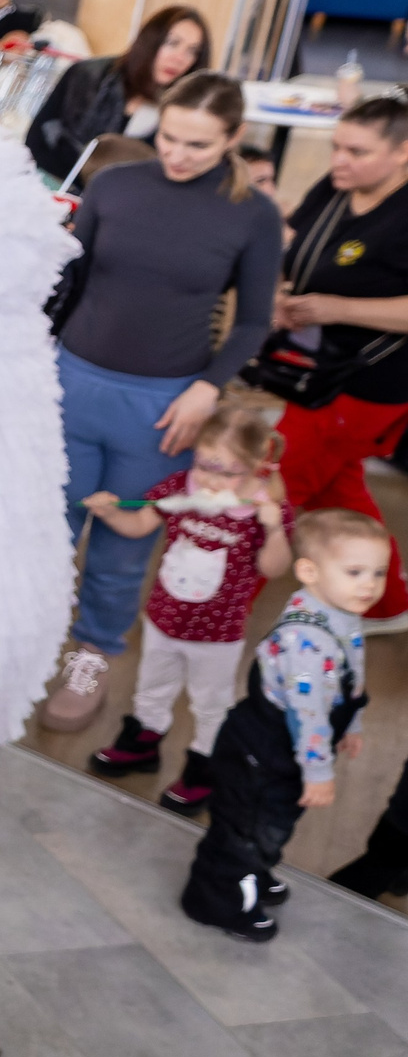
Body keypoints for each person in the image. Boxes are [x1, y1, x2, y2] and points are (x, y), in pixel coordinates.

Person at [42, 72, 285, 730]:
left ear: (233, 138)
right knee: (43, 531)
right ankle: (23, 647)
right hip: (70, 383)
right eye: (170, 137)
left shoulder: (253, 214)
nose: (177, 154)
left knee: (123, 544)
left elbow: (253, 322)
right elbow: (69, 278)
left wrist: (206, 388)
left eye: (199, 145)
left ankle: (92, 653)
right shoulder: (116, 186)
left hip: (164, 408)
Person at [179, 510, 384, 942]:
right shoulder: (305, 642)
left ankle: (255, 865)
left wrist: (353, 722)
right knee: (246, 826)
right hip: (266, 751)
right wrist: (319, 772)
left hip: (285, 750)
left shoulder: (338, 611)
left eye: (378, 572)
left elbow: (350, 677)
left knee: (272, 821)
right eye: (355, 571)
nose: (369, 583)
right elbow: (307, 714)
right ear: (309, 571)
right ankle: (218, 898)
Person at [253, 95, 408, 633]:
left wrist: (339, 308)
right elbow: (292, 242)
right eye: (336, 146)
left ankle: (220, 600)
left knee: (276, 480)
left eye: (357, 151)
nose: (339, 160)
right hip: (314, 370)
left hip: (368, 382)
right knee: (340, 486)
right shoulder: (337, 187)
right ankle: (389, 603)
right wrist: (277, 294)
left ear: (403, 153)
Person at [80, 403, 292, 795]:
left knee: (210, 702)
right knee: (151, 686)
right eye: (204, 465)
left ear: (255, 467)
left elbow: (274, 569)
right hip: (164, 619)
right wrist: (111, 514)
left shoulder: (263, 510)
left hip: (217, 635)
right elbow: (140, 524)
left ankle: (204, 765)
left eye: (225, 471)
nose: (210, 480)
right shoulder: (182, 488)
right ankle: (143, 744)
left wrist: (275, 532)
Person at [26, 6, 211, 179]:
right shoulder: (86, 75)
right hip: (52, 187)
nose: (179, 58)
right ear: (150, 40)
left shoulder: (184, 111)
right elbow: (37, 140)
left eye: (192, 51)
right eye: (172, 43)